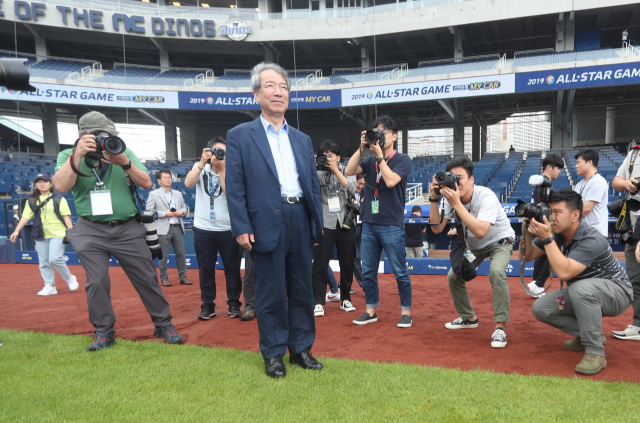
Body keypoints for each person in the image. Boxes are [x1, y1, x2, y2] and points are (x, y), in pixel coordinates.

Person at [53, 111, 183, 351]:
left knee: (146, 277)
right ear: (84, 136)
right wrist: (78, 154)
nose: (105, 139)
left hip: (126, 227)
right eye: (98, 136)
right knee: (97, 281)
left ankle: (163, 324)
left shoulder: (121, 151)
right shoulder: (68, 155)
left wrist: (125, 162)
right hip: (90, 229)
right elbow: (60, 186)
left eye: (108, 135)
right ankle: (104, 331)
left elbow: (145, 182)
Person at [226, 62, 324, 378]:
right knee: (269, 292)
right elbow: (236, 184)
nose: (278, 91)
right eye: (270, 85)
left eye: (283, 86)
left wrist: (315, 224)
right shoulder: (240, 135)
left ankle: (301, 348)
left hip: (299, 216)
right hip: (265, 221)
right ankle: (273, 353)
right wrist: (241, 226)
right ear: (257, 94)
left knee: (301, 289)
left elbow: (310, 183)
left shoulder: (302, 138)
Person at [526, 189, 632, 375]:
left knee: (580, 289)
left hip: (618, 292)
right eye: (550, 211)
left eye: (557, 212)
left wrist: (547, 238)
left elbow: (564, 272)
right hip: (585, 291)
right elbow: (527, 256)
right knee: (541, 307)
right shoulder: (556, 234)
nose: (552, 217)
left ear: (575, 215)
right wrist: (528, 231)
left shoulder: (591, 238)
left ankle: (595, 352)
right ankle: (589, 335)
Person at [429, 156, 515, 349]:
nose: (455, 182)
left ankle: (500, 327)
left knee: (497, 271)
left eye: (459, 177)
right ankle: (469, 318)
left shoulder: (486, 196)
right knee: (454, 275)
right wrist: (434, 198)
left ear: (472, 179)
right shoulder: (449, 199)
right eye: (452, 177)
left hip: (500, 242)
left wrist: (456, 203)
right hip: (475, 248)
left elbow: (481, 230)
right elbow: (436, 228)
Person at [346, 114, 413, 328]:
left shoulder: (402, 160)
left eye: (383, 132)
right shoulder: (369, 160)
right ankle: (370, 310)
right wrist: (362, 146)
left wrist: (380, 158)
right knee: (368, 271)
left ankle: (406, 312)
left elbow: (391, 181)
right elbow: (349, 170)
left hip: (391, 223)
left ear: (394, 136)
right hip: (368, 222)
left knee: (399, 271)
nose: (380, 135)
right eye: (376, 132)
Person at [184, 137, 243, 320]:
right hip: (203, 229)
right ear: (208, 152)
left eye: (223, 152)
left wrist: (223, 168)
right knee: (205, 268)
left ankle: (234, 304)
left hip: (228, 228)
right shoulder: (200, 166)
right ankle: (208, 305)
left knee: (232, 269)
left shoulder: (232, 169)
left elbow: (230, 193)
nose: (219, 155)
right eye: (216, 151)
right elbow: (188, 183)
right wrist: (202, 162)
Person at [10, 173, 78, 296]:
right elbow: (25, 217)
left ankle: (69, 278)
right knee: (44, 261)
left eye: (45, 181)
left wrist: (72, 232)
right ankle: (50, 285)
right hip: (40, 233)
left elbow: (65, 216)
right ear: (35, 185)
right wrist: (17, 230)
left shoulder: (59, 199)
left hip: (58, 233)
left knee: (55, 258)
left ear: (50, 184)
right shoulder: (31, 200)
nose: (42, 184)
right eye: (39, 182)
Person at [312, 140, 357, 317]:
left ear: (338, 157)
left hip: (345, 222)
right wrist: (314, 165)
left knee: (347, 262)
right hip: (325, 222)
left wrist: (336, 170)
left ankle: (345, 298)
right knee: (320, 263)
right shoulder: (317, 171)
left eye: (331, 155)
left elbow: (352, 188)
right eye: (325, 155)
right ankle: (317, 302)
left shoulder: (347, 170)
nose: (328, 158)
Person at [611, 146, 640, 341]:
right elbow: (616, 182)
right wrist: (627, 184)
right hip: (633, 225)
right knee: (635, 279)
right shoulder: (634, 153)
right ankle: (638, 326)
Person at [527, 154, 564, 298]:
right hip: (546, 225)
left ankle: (536, 285)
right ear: (549, 167)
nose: (559, 171)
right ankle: (538, 284)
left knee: (541, 255)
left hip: (539, 223)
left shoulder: (539, 182)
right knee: (551, 251)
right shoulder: (545, 183)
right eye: (558, 168)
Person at [146, 169, 192, 287]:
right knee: (163, 256)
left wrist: (181, 212)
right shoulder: (154, 194)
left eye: (170, 177)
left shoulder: (178, 193)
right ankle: (164, 278)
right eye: (165, 178)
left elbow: (184, 208)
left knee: (181, 254)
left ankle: (183, 277)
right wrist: (164, 213)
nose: (168, 179)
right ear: (159, 180)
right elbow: (149, 212)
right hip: (163, 228)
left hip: (177, 227)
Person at [573, 149, 608, 237]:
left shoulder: (598, 181)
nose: (576, 166)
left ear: (589, 162)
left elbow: (585, 209)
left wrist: (567, 219)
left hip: (595, 234)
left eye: (578, 163)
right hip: (582, 233)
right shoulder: (578, 184)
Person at [352, 174, 365, 290]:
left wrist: (359, 204)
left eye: (363, 184)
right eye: (359, 183)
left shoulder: (364, 195)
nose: (361, 186)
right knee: (355, 257)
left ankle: (344, 284)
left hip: (360, 227)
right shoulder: (348, 192)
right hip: (349, 228)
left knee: (352, 257)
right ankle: (364, 285)